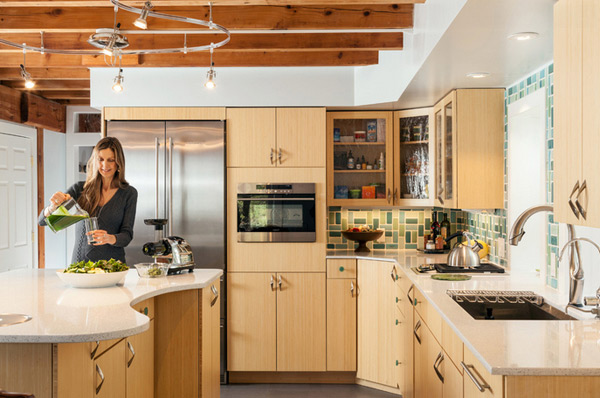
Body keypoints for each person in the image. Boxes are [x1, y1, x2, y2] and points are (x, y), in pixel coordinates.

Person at [39, 137, 137, 264]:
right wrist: (52, 207)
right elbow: (42, 221)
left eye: (111, 160)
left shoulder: (128, 193)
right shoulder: (79, 189)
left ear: (118, 163)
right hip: (81, 265)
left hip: (112, 266)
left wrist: (109, 238)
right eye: (100, 159)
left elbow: (127, 236)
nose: (105, 165)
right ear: (94, 161)